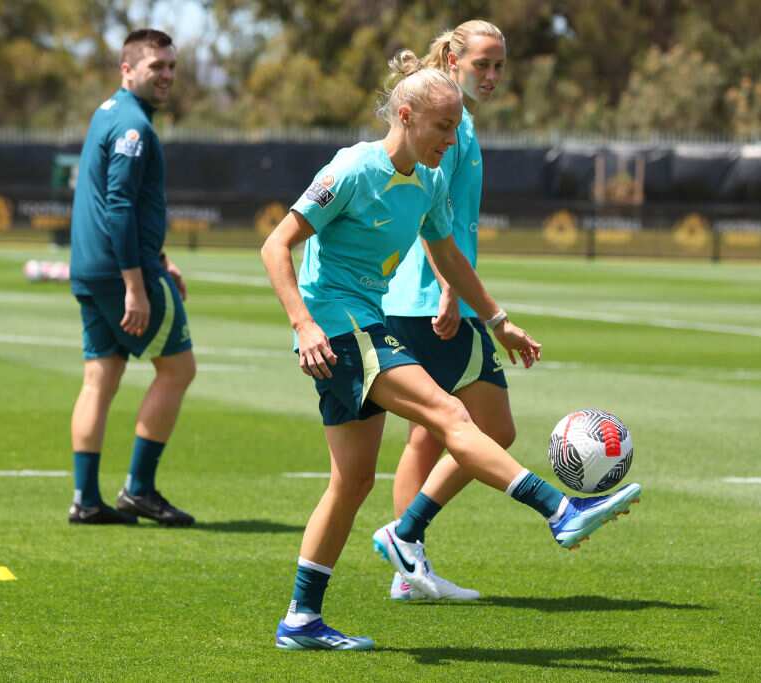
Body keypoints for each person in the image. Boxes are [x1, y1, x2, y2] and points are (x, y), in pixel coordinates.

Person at [261, 49, 642, 651]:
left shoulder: (430, 181)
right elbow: (276, 245)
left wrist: (498, 321)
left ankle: (301, 620)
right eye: (443, 126)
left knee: (352, 481)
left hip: (362, 321)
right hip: (339, 327)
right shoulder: (353, 169)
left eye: (457, 125)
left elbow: (448, 258)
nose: (452, 136)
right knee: (451, 415)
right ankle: (559, 510)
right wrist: (303, 324)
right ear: (406, 116)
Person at [375, 20, 514, 602]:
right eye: (482, 63)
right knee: (492, 429)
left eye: (499, 66)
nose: (491, 75)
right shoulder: (446, 121)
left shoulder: (457, 120)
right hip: (432, 299)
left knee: (427, 439)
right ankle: (406, 540)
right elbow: (431, 213)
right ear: (454, 58)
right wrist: (450, 293)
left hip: (419, 298)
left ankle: (408, 570)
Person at [67, 29, 195, 527]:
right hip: (121, 272)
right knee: (179, 370)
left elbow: (118, 203)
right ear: (127, 69)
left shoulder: (107, 113)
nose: (165, 75)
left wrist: (159, 257)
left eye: (170, 67)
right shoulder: (134, 127)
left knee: (100, 378)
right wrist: (138, 285)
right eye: (155, 66)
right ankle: (139, 489)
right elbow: (118, 207)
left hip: (91, 268)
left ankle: (85, 499)